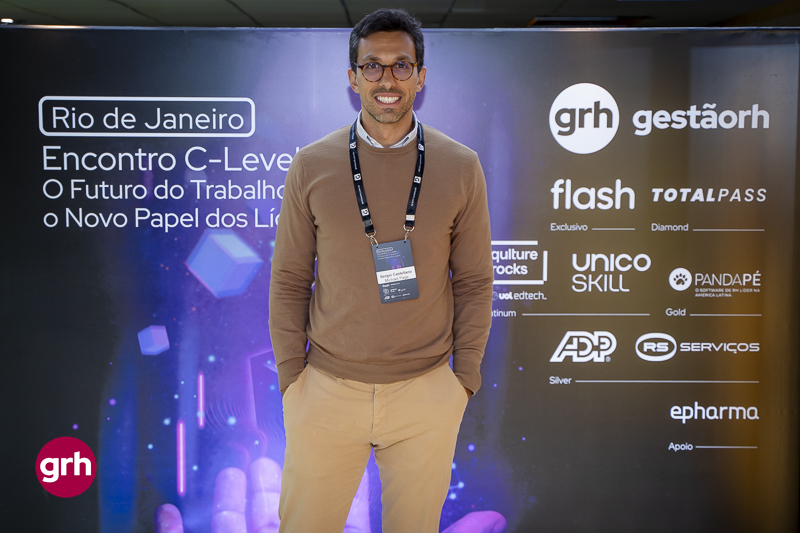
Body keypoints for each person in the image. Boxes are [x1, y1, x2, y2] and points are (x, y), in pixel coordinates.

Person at [268, 8, 494, 533]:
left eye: (400, 66)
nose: (386, 79)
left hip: (427, 393)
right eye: (372, 66)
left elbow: (475, 282)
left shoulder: (461, 166)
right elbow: (290, 279)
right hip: (325, 392)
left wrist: (462, 381)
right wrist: (292, 380)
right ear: (353, 78)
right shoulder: (312, 164)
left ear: (420, 76)